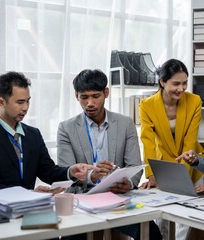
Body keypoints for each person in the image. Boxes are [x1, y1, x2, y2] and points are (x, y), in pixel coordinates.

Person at [0, 71, 98, 207]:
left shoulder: (33, 134)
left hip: (26, 210)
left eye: (28, 101)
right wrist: (31, 194)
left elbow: (47, 171)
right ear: (0, 102)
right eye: (20, 102)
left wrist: (70, 172)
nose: (26, 108)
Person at [57, 69, 162, 240]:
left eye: (95, 96)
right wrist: (92, 175)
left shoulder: (125, 123)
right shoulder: (66, 128)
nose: (90, 103)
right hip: (83, 198)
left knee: (151, 233)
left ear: (106, 93)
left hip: (118, 197)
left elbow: (135, 166)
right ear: (76, 96)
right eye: (84, 97)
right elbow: (66, 171)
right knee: (71, 238)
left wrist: (129, 184)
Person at [139, 59, 204, 240]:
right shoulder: (147, 105)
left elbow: (190, 142)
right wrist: (152, 175)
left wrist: (182, 178)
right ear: (162, 82)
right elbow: (148, 142)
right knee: (163, 220)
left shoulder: (194, 101)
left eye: (184, 83)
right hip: (163, 166)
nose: (181, 88)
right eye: (176, 83)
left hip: (191, 164)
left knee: (187, 219)